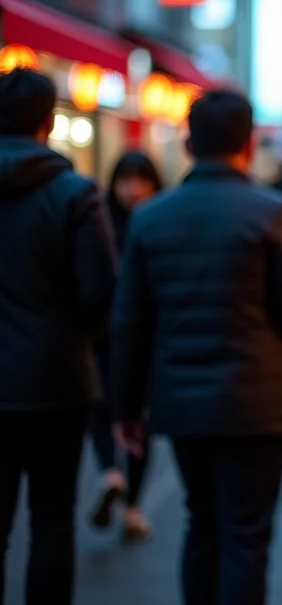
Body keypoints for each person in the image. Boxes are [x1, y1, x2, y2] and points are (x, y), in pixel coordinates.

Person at [113, 90, 282, 605]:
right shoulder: (273, 213)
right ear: (249, 145)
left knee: (201, 523)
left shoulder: (149, 218)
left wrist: (125, 406)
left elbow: (130, 320)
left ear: (188, 143)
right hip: (256, 400)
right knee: (245, 538)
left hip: (181, 399)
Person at [0, 68, 117, 605]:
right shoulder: (74, 193)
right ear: (50, 120)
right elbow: (99, 292)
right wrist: (76, 339)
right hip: (56, 381)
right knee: (52, 520)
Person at [88, 151, 162, 542]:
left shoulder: (152, 223)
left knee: (131, 415)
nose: (133, 189)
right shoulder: (102, 221)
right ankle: (121, 489)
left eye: (141, 179)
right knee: (111, 412)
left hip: (136, 337)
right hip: (112, 335)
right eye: (125, 180)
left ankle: (122, 490)